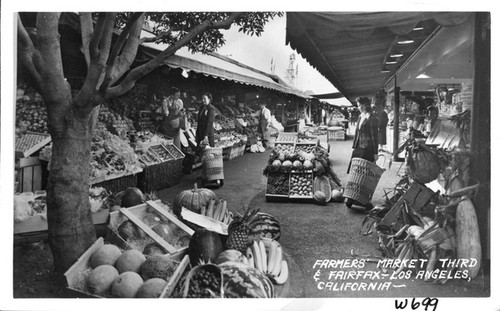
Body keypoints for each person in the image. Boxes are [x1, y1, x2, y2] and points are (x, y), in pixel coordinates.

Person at [346, 97, 379, 211]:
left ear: (365, 105)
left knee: (364, 175)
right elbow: (357, 134)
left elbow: (375, 137)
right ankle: (352, 196)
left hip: (368, 149)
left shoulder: (372, 118)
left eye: (360, 105)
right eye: (358, 105)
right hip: (359, 149)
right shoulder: (360, 117)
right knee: (355, 172)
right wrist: (354, 147)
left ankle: (362, 198)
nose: (358, 107)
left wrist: (375, 153)